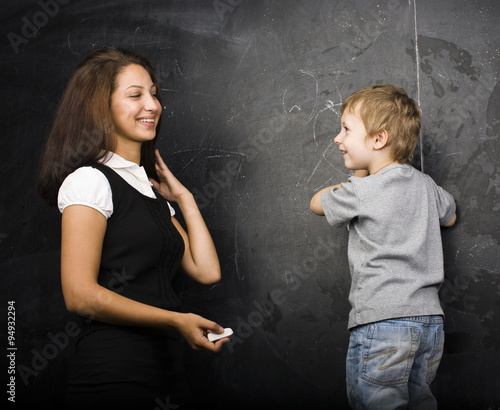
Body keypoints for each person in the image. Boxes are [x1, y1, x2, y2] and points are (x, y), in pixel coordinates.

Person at [36, 47, 229, 409]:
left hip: (168, 373)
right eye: (136, 95)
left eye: (154, 93)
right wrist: (177, 320)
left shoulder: (145, 187)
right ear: (101, 107)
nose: (153, 105)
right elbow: (79, 295)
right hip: (115, 375)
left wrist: (184, 198)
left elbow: (207, 271)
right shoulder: (89, 181)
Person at [310, 84, 456, 410]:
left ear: (378, 139)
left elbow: (317, 203)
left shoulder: (361, 189)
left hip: (382, 323)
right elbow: (450, 215)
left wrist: (358, 177)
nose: (338, 138)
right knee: (420, 402)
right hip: (430, 323)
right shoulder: (426, 185)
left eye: (346, 129)